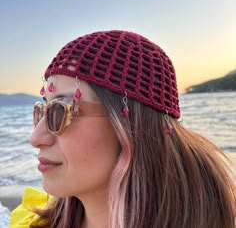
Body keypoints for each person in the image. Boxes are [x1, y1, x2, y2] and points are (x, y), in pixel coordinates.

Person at [8, 30, 236, 228]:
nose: (36, 138)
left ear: (130, 126)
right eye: (40, 112)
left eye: (60, 111)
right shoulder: (28, 221)